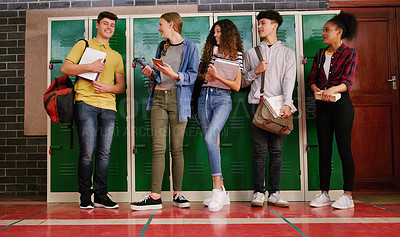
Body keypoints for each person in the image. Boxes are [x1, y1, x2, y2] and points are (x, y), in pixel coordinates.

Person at [130, 12, 199, 211]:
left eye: (160, 24)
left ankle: (177, 194)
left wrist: (175, 74)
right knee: (158, 148)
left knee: (176, 149)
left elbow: (193, 76)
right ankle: (155, 196)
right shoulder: (162, 46)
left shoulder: (190, 47)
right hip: (159, 99)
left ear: (171, 24)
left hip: (179, 100)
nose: (158, 28)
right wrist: (152, 73)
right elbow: (160, 77)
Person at [61, 11, 125, 209]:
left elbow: (121, 86)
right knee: (88, 152)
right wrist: (89, 66)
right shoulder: (84, 45)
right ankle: (85, 196)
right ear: (97, 25)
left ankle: (101, 195)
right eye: (105, 24)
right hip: (85, 103)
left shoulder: (115, 56)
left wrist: (108, 88)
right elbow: (65, 68)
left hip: (108, 106)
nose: (109, 28)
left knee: (104, 153)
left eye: (112, 25)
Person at [242, 10, 296, 208]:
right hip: (257, 105)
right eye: (258, 23)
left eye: (263, 23)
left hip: (279, 107)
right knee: (259, 151)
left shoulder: (288, 54)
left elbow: (289, 81)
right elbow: (241, 83)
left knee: (277, 151)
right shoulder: (251, 53)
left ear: (275, 26)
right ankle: (258, 192)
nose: (259, 27)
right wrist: (255, 71)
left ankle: (274, 193)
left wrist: (288, 104)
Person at [308, 12, 358, 210]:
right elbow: (311, 80)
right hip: (323, 107)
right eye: (323, 30)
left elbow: (347, 82)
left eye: (327, 30)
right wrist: (317, 90)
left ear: (339, 32)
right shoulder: (320, 54)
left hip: (342, 106)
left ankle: (348, 195)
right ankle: (324, 193)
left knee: (344, 150)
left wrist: (332, 89)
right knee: (324, 151)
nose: (323, 33)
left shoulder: (350, 53)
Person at [197, 19, 243, 212]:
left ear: (227, 33)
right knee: (212, 142)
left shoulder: (237, 55)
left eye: (218, 32)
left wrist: (218, 77)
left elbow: (237, 86)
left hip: (222, 99)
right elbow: (197, 75)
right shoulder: (209, 53)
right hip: (203, 99)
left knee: (210, 137)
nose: (215, 36)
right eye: (214, 32)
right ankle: (222, 190)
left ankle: (217, 189)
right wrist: (205, 76)